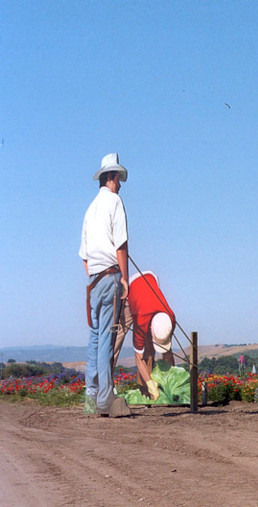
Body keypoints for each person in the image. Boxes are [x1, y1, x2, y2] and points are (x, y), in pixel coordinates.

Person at [79, 153, 132, 416]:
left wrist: (94, 278)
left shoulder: (90, 209)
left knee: (94, 339)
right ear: (110, 177)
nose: (120, 184)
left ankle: (90, 400)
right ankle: (104, 400)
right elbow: (121, 244)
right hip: (110, 276)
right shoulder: (114, 201)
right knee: (107, 339)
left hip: (93, 279)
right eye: (118, 179)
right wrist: (124, 278)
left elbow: (84, 257)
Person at [120, 271, 177, 400]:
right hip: (130, 290)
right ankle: (145, 390)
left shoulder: (170, 318)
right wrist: (150, 384)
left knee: (163, 345)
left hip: (151, 278)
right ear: (150, 328)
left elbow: (167, 349)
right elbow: (138, 357)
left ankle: (167, 387)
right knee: (142, 350)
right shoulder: (141, 323)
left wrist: (172, 383)